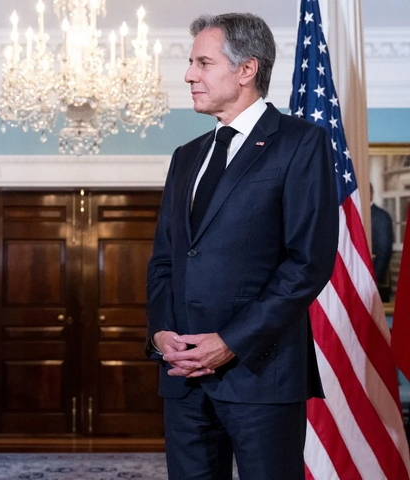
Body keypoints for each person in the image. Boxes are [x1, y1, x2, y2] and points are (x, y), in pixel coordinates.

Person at [146, 13, 338, 480]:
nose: (189, 75)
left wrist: (230, 342)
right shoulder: (185, 156)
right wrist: (161, 333)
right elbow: (166, 260)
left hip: (261, 375)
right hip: (183, 377)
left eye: (203, 63)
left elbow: (306, 264)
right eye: (191, 63)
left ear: (246, 69)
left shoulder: (300, 143)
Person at [370, 183, 394, 301]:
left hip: (376, 281)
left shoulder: (380, 216)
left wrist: (374, 278)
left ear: (371, 194)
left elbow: (384, 250)